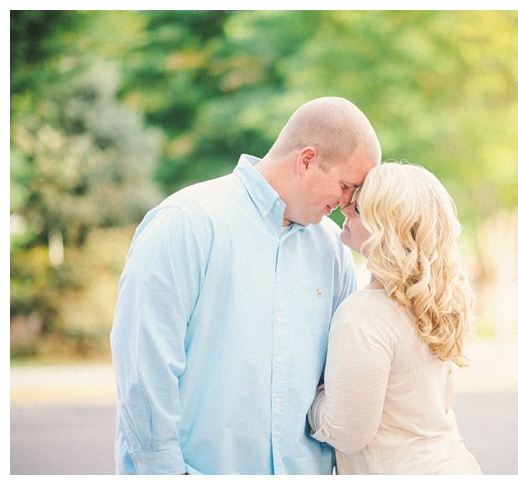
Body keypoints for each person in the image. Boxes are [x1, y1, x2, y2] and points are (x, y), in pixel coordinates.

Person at [110, 97, 381, 475]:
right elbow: (144, 368)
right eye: (347, 185)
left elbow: (337, 382)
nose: (350, 203)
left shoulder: (333, 251)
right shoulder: (187, 223)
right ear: (306, 161)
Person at [308, 162, 482, 474]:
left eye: (359, 208)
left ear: (386, 227)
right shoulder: (429, 301)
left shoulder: (363, 314)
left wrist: (312, 396)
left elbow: (346, 432)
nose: (344, 209)